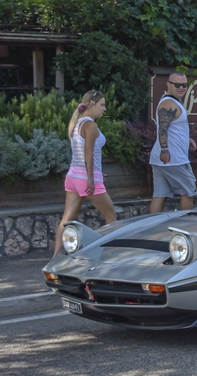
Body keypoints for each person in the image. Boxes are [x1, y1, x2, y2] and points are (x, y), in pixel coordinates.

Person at [53, 90, 117, 257]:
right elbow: (88, 152)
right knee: (111, 217)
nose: (104, 109)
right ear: (92, 104)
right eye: (102, 105)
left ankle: (54, 258)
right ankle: (106, 256)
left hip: (73, 177)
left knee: (67, 218)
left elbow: (84, 153)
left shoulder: (77, 123)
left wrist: (96, 173)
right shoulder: (91, 125)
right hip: (86, 178)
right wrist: (91, 177)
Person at [148, 72, 197, 213]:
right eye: (177, 85)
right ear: (168, 84)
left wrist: (186, 138)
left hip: (160, 159)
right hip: (173, 159)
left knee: (159, 195)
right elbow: (162, 129)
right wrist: (165, 149)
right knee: (189, 192)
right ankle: (186, 225)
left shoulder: (171, 101)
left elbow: (172, 127)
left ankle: (152, 228)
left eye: (184, 85)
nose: (181, 87)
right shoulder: (169, 104)